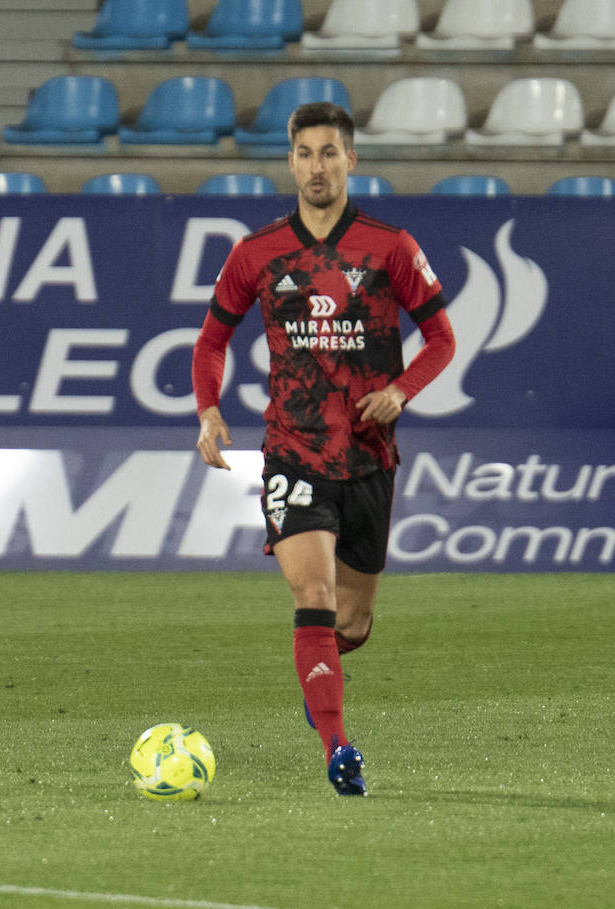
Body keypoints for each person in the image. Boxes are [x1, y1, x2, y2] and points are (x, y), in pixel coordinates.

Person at [191, 102, 456, 797]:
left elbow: (443, 339)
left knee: (353, 622)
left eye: (329, 152)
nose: (317, 165)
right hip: (293, 450)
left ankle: (323, 678)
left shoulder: (391, 246)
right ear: (290, 162)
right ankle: (340, 750)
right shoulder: (257, 252)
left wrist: (400, 391)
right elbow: (212, 339)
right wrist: (209, 410)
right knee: (312, 592)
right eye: (305, 153)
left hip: (369, 456)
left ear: (351, 161)